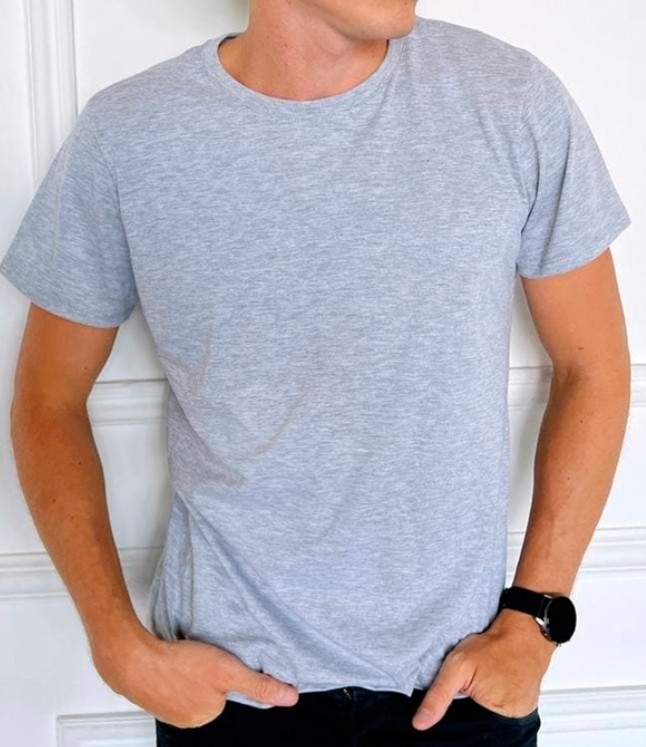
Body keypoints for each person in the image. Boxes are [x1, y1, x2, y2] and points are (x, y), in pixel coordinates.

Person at [0, 1, 632, 745]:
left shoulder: (508, 99)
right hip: (232, 698)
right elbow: (47, 398)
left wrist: (535, 618)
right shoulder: (129, 135)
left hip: (460, 699)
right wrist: (115, 641)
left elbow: (593, 366)